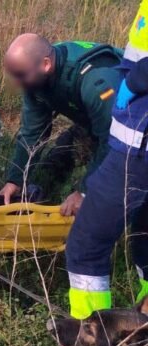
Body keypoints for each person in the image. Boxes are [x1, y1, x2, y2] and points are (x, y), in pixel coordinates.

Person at [64, 1, 148, 320]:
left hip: (139, 144)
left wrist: (137, 80)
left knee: (86, 247)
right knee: (145, 237)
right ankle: (141, 336)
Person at [0, 34, 123, 216]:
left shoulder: (95, 82)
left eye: (20, 75)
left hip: (131, 130)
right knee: (56, 162)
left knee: (122, 197)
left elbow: (115, 142)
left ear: (46, 65)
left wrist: (85, 192)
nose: (17, 83)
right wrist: (15, 181)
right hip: (95, 122)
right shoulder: (36, 74)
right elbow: (32, 133)